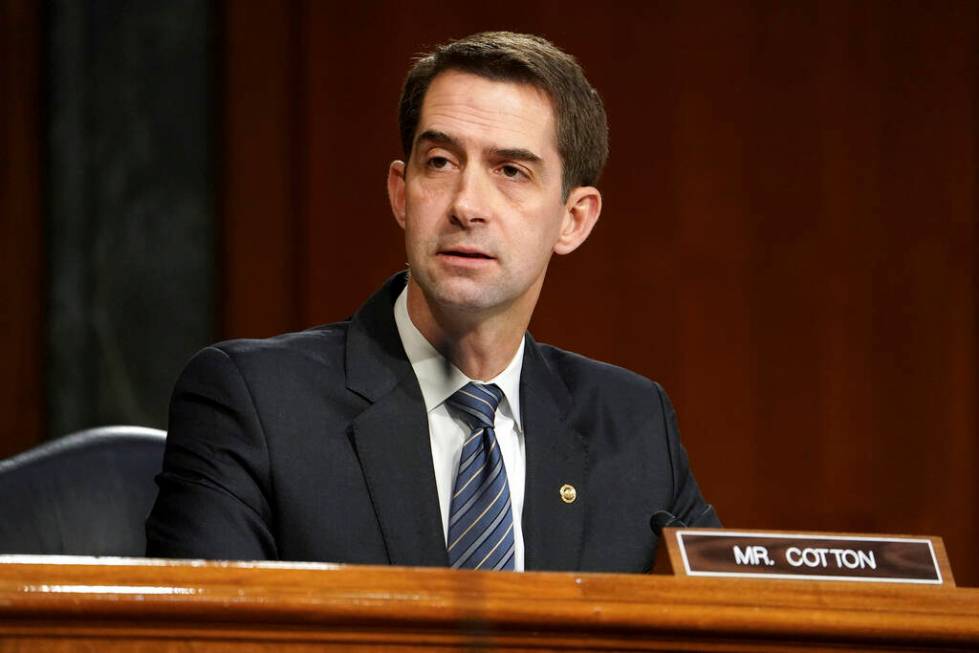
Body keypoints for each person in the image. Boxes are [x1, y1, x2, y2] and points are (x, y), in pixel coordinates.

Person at [146, 31, 718, 572]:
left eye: (511, 171)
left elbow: (728, 620)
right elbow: (202, 636)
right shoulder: (254, 403)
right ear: (401, 193)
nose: (466, 204)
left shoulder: (634, 423)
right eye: (440, 162)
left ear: (573, 219)